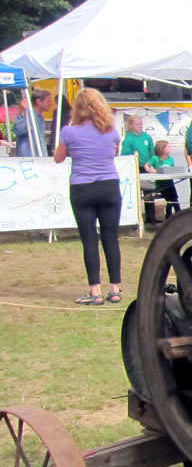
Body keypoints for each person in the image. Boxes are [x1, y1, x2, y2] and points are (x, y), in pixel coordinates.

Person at [53, 88, 122, 305]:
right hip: (109, 186)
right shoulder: (111, 131)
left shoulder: (69, 132)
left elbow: (58, 158)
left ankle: (95, 290)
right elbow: (115, 153)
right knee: (111, 237)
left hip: (82, 187)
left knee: (89, 239)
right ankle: (115, 288)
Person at [146, 138, 181, 217]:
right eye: (168, 147)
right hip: (161, 185)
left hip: (170, 183)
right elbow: (146, 165)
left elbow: (172, 169)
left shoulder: (170, 158)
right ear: (162, 149)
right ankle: (169, 216)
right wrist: (152, 170)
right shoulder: (155, 158)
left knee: (174, 199)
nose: (170, 149)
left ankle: (179, 215)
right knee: (170, 200)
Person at [13, 89, 53, 157]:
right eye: (48, 101)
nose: (51, 104)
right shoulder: (29, 114)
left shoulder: (40, 116)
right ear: (39, 101)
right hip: (28, 158)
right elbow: (19, 130)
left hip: (38, 157)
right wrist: (22, 113)